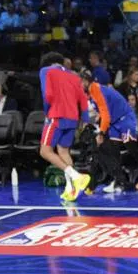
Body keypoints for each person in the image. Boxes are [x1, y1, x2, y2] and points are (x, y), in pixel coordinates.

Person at [38, 52, 92, 201]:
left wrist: (47, 112)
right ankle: (71, 189)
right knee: (63, 151)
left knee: (45, 151)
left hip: (56, 115)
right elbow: (83, 98)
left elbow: (47, 94)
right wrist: (85, 119)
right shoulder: (74, 76)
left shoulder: (45, 71)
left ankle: (76, 176)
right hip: (73, 117)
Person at [85, 73, 138, 194]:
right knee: (102, 151)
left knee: (106, 150)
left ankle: (120, 181)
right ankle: (115, 181)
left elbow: (106, 116)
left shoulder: (96, 90)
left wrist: (101, 134)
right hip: (114, 125)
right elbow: (102, 114)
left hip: (123, 125)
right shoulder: (94, 92)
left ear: (86, 82)